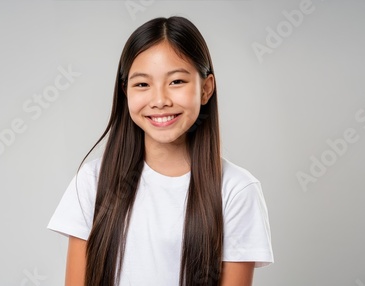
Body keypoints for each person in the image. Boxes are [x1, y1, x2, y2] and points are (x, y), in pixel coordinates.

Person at [48, 16, 273, 286]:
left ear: (206, 88)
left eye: (176, 81)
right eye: (142, 84)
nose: (160, 100)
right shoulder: (93, 181)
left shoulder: (236, 190)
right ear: (126, 92)